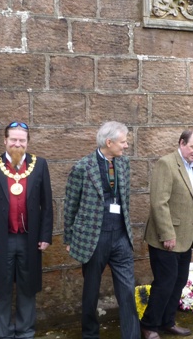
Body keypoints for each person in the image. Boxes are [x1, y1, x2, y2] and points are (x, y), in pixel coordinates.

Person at [0, 121, 53, 339]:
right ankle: (4, 334)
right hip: (1, 240)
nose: (18, 144)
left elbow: (47, 204)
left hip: (30, 239)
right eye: (14, 140)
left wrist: (46, 235)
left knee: (28, 288)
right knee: (2, 289)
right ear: (5, 141)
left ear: (27, 142)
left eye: (22, 140)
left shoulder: (40, 165)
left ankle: (26, 332)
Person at [63, 121, 139, 339]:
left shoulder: (123, 165)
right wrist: (69, 237)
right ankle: (90, 334)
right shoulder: (82, 167)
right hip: (93, 239)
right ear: (109, 142)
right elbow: (70, 205)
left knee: (127, 290)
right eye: (123, 142)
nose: (126, 146)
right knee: (91, 290)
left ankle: (131, 336)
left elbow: (124, 200)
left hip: (121, 236)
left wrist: (125, 232)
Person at [141, 129, 193, 339]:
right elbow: (159, 203)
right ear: (181, 143)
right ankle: (149, 325)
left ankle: (167, 322)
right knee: (165, 282)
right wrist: (167, 234)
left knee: (179, 281)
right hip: (166, 239)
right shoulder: (166, 164)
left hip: (186, 237)